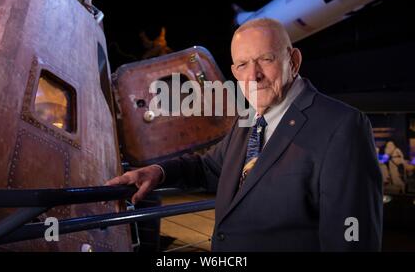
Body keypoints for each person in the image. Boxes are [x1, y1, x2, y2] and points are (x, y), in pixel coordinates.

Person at [106, 18, 383, 251]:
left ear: (294, 61)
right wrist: (157, 172)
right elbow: (209, 167)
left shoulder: (342, 126)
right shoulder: (249, 118)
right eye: (242, 65)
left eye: (266, 59)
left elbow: (353, 242)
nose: (253, 75)